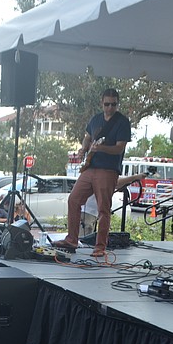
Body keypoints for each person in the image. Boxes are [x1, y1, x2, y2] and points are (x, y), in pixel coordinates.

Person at [52, 88, 131, 258]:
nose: (110, 108)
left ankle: (100, 246)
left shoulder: (122, 122)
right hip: (90, 167)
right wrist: (83, 148)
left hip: (108, 170)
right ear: (101, 103)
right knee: (74, 199)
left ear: (117, 104)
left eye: (113, 104)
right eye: (107, 104)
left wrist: (101, 148)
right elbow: (87, 137)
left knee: (104, 208)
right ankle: (72, 239)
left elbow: (119, 148)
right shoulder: (95, 119)